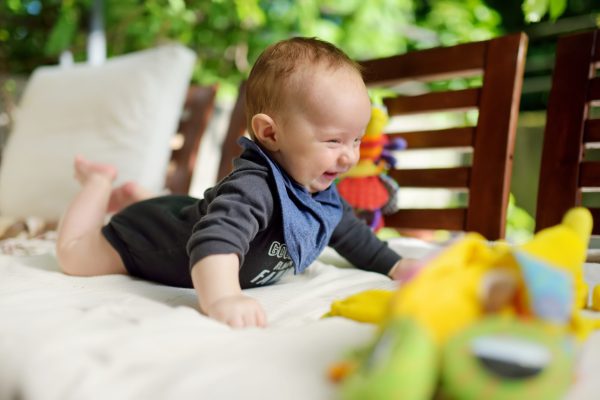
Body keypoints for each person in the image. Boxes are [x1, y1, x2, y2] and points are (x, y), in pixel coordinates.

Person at [56, 37, 418, 329]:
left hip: (183, 211)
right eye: (333, 141)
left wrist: (395, 265)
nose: (349, 157)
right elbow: (215, 241)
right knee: (73, 255)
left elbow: (349, 232)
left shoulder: (314, 187)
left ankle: (140, 195)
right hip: (150, 237)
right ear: (270, 133)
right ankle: (99, 182)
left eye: (355, 140)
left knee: (186, 209)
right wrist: (223, 297)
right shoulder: (254, 188)